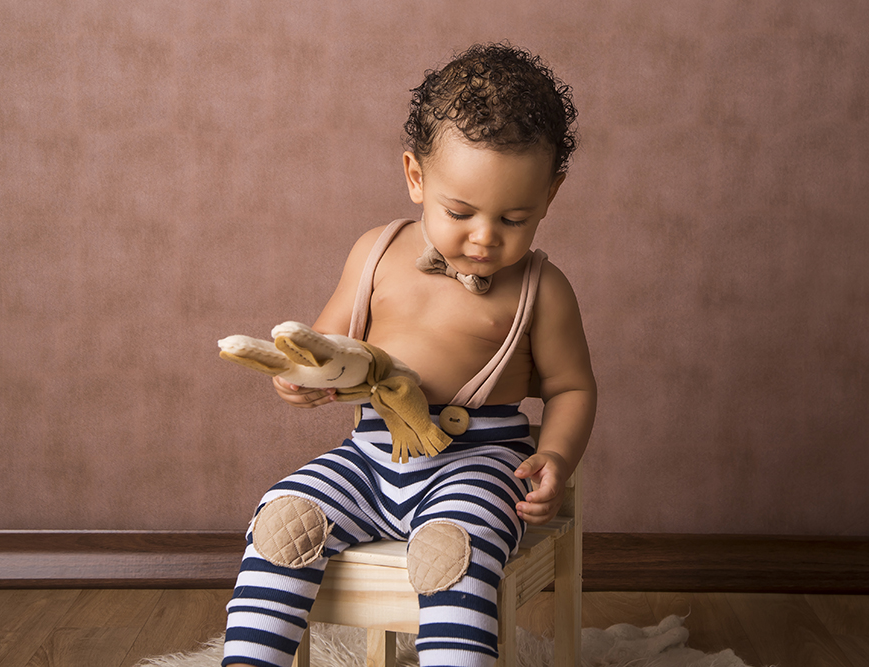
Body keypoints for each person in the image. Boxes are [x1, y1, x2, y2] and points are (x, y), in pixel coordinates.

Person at [223, 42, 596, 667]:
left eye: (514, 217)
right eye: (461, 211)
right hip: (369, 460)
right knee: (284, 522)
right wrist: (299, 380)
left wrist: (555, 456)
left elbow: (572, 388)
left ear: (551, 195)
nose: (484, 237)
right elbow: (319, 347)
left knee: (453, 553)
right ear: (415, 177)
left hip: (478, 466)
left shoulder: (543, 288)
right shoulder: (376, 251)